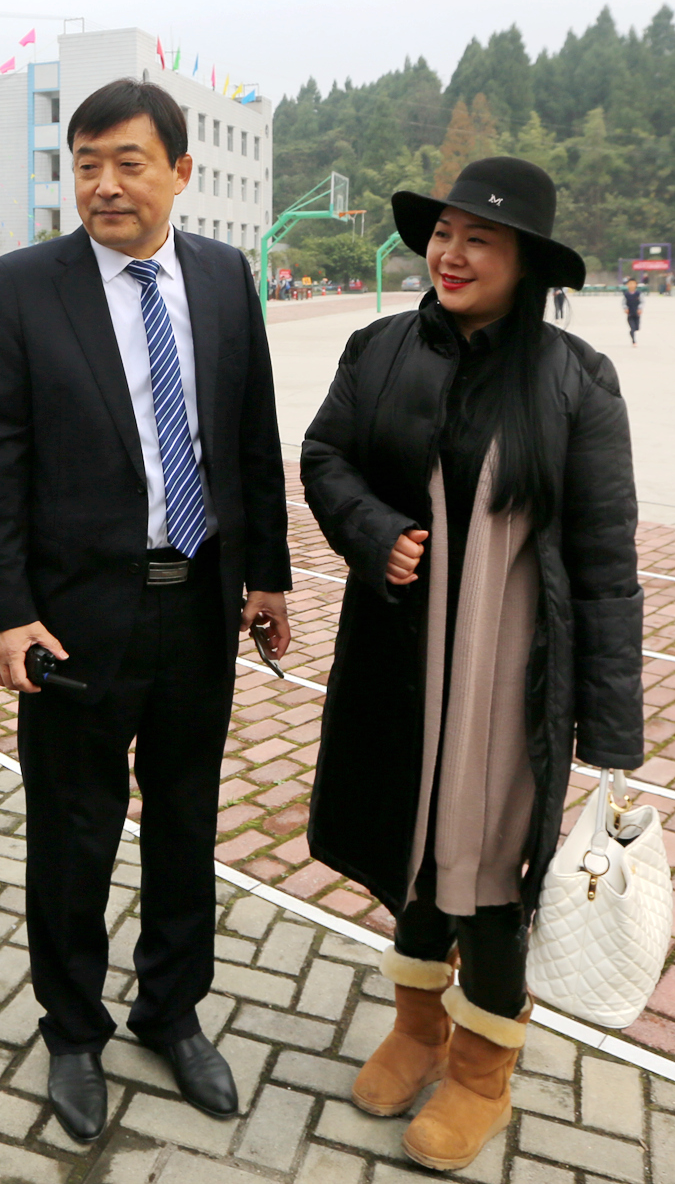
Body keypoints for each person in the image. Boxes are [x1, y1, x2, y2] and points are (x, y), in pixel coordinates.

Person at [0, 78, 292, 1143]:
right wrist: (5, 613)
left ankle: (171, 1010)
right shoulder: (24, 286)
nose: (104, 184)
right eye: (86, 164)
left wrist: (268, 574)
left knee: (186, 821)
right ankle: (72, 1029)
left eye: (128, 162)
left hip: (198, 603)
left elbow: (251, 433)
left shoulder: (224, 276)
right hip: (74, 618)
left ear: (180, 171)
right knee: (73, 830)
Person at [301, 157, 642, 1172]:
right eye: (442, 233)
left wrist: (609, 729)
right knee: (411, 852)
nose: (449, 254)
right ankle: (416, 1030)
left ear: (524, 261)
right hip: (400, 666)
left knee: (491, 878)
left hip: (510, 686)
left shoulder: (576, 379)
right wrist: (372, 532)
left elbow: (606, 563)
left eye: (478, 239)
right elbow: (324, 457)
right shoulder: (378, 349)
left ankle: (483, 1074)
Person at [623, 277, 644, 344]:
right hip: (630, 314)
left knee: (637, 328)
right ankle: (633, 341)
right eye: (630, 284)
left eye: (633, 284)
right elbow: (623, 302)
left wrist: (640, 308)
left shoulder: (638, 293)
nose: (632, 285)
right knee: (632, 328)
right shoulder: (626, 294)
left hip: (636, 313)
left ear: (636, 285)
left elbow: (642, 302)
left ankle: (633, 331)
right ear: (627, 285)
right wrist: (625, 308)